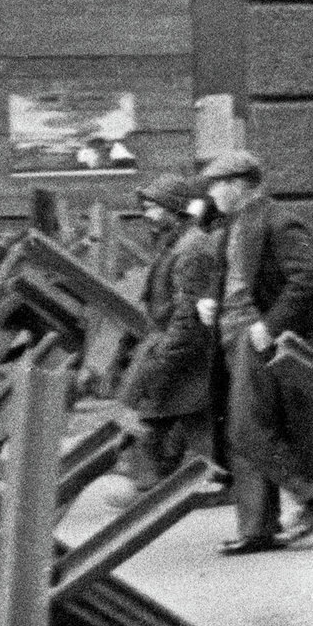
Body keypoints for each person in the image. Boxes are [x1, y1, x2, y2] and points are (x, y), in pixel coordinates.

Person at [199, 151, 313, 552]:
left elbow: (311, 280)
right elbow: (230, 279)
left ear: (240, 184)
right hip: (231, 337)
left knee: (246, 428)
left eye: (217, 184)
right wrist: (210, 302)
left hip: (258, 340)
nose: (211, 193)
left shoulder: (278, 220)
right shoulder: (231, 226)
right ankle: (257, 528)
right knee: (243, 428)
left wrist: (270, 326)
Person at [112, 175, 223, 489]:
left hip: (186, 351)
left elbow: (190, 314)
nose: (147, 214)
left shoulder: (192, 249)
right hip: (174, 347)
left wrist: (163, 356)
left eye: (153, 208)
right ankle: (161, 482)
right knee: (176, 418)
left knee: (159, 414)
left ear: (172, 208)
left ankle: (157, 484)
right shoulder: (177, 243)